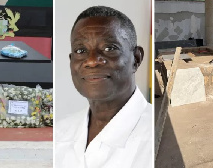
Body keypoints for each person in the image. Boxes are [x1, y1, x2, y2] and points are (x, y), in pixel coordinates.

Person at [55, 6, 152, 168]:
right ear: (71, 61)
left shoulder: (153, 137)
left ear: (136, 59)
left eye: (110, 48)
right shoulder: (60, 132)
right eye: (81, 50)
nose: (92, 61)